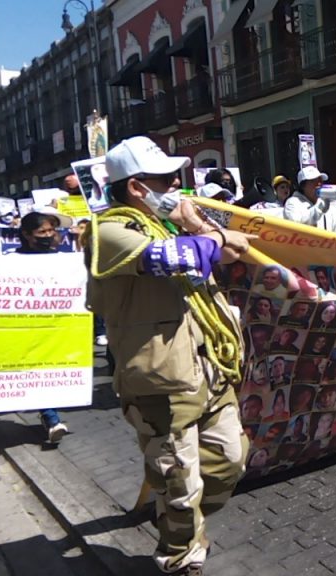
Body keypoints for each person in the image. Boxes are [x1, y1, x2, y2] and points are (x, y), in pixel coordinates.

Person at [85, 136, 254, 576]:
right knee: (179, 484)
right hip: (161, 384)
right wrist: (212, 234)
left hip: (208, 369)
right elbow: (173, 258)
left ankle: (182, 522)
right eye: (167, 180)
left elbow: (208, 252)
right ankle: (180, 558)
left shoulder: (173, 225)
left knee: (231, 458)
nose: (177, 187)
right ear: (137, 187)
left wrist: (202, 228)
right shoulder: (106, 232)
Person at [14, 212, 75, 442]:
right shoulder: (13, 260)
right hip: (27, 326)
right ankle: (51, 419)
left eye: (51, 231)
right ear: (27, 235)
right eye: (42, 232)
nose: (48, 235)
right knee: (36, 369)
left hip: (56, 326)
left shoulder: (62, 258)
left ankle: (49, 415)